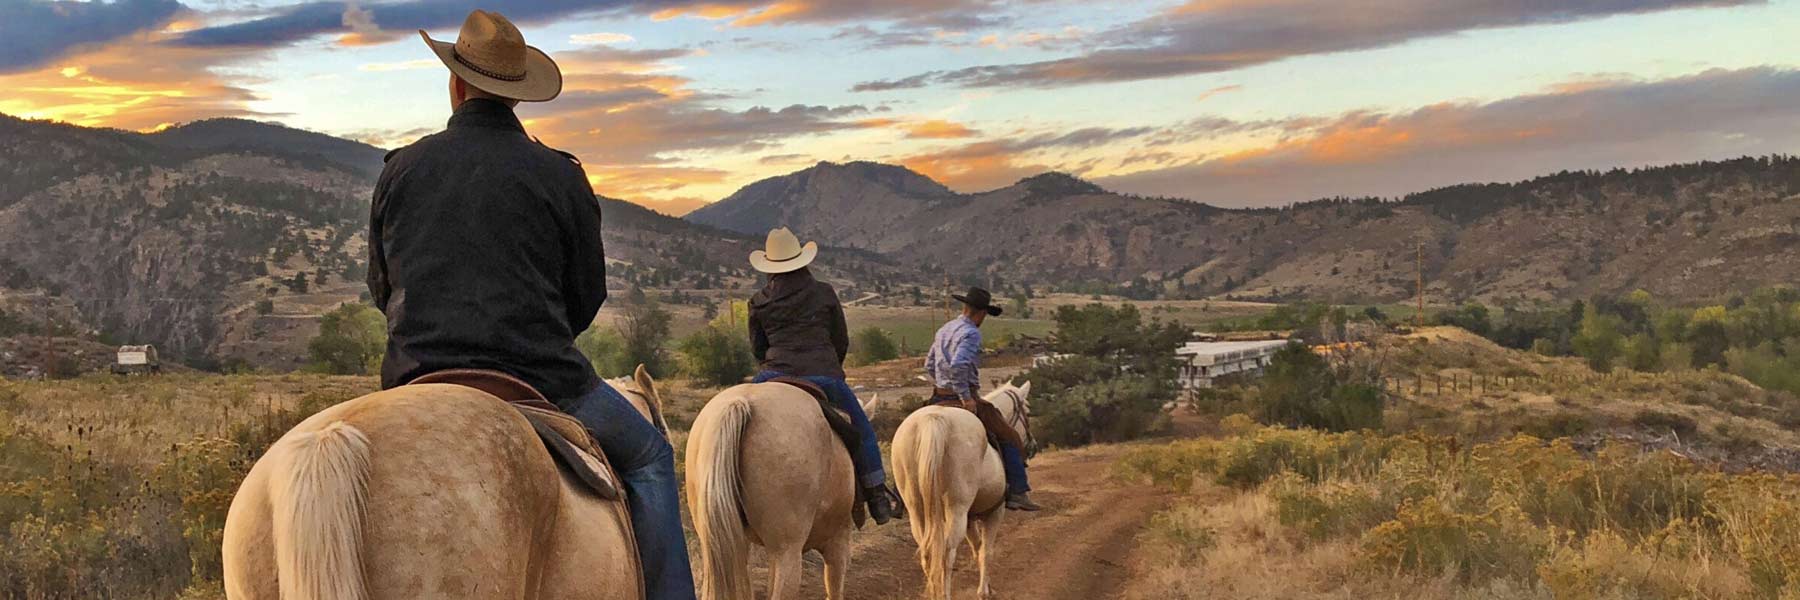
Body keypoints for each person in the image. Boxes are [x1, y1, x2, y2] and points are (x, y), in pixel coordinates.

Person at [366, 10, 695, 599]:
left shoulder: (401, 169)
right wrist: (537, 331)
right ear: (517, 97)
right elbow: (586, 296)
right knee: (650, 459)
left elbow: (380, 289)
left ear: (456, 84)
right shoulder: (560, 175)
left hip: (416, 379)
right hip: (543, 377)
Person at [745, 227, 900, 524]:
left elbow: (758, 348)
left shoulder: (758, 301)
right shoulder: (824, 292)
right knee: (862, 428)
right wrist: (830, 368)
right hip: (822, 374)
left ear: (770, 267)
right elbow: (840, 339)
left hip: (774, 374)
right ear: (802, 261)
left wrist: (774, 367)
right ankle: (876, 494)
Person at [924, 287, 1040, 511]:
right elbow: (959, 365)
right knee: (1009, 435)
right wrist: (965, 397)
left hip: (938, 396)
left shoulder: (945, 329)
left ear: (965, 307)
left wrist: (942, 384)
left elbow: (929, 364)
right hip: (962, 398)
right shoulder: (971, 333)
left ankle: (900, 497)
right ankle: (1018, 491)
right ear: (982, 313)